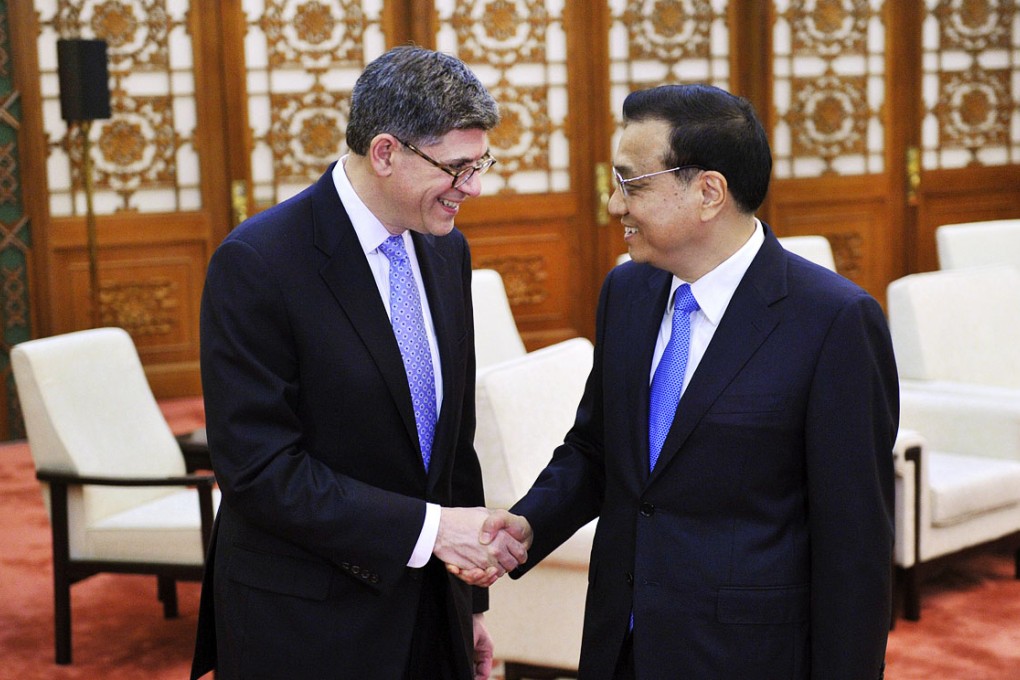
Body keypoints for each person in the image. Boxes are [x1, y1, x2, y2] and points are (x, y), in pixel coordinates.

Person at [475, 84, 898, 679]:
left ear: (708, 192)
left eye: (632, 183)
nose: (615, 205)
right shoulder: (627, 291)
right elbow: (598, 450)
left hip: (746, 657)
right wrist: (527, 522)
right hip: (620, 644)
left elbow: (855, 547)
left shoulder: (832, 321)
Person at [191, 46, 531, 680]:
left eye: (480, 163)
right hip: (307, 623)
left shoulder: (445, 251)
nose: (474, 187)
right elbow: (259, 471)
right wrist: (431, 532)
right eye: (457, 167)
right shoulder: (260, 263)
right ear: (384, 153)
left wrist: (470, 607)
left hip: (431, 611)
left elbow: (451, 443)